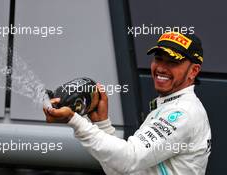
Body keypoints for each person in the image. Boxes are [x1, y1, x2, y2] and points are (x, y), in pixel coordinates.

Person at [43, 31, 212, 175]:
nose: (161, 68)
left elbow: (129, 158)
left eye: (172, 62)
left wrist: (74, 120)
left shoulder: (183, 113)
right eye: (158, 58)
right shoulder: (171, 105)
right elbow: (122, 169)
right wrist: (101, 123)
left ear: (193, 71)